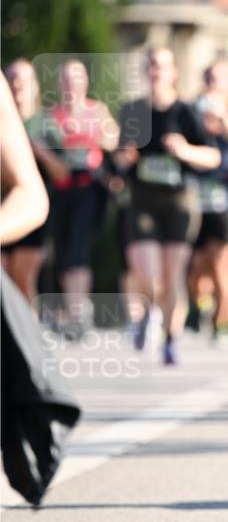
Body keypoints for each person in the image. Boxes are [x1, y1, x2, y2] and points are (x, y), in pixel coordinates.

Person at [116, 47, 220, 365]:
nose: (155, 70)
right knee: (148, 274)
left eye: (162, 65)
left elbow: (213, 157)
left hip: (179, 202)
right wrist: (124, 155)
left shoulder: (185, 112)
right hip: (143, 200)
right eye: (150, 65)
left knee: (173, 273)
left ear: (173, 72)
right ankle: (149, 314)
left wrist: (185, 151)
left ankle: (171, 338)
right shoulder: (133, 111)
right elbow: (119, 159)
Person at [48, 59, 119, 332]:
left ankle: (77, 314)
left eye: (76, 78)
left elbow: (113, 139)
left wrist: (85, 134)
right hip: (61, 190)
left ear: (85, 82)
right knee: (63, 251)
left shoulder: (97, 110)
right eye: (66, 78)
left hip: (89, 188)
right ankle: (71, 309)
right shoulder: (51, 115)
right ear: (59, 83)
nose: (71, 83)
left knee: (78, 249)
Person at [190, 58, 228, 341]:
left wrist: (226, 120)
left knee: (224, 264)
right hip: (197, 197)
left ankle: (224, 322)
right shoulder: (194, 109)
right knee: (197, 266)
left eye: (220, 77)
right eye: (209, 77)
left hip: (227, 198)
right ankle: (204, 308)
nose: (213, 83)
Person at [2, 60, 66, 299]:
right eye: (13, 79)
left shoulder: (45, 125)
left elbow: (62, 173)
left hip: (30, 213)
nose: (17, 85)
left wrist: (39, 152)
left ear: (35, 87)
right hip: (2, 206)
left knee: (22, 280)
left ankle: (27, 332)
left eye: (23, 80)